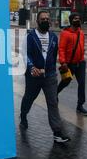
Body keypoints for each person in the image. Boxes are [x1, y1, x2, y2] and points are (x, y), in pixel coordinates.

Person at [20, 11, 70, 144]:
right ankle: (23, 115)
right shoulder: (30, 37)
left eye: (47, 19)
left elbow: (53, 56)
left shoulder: (53, 37)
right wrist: (31, 67)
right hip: (33, 76)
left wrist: (62, 65)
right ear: (37, 21)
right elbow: (25, 54)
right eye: (43, 19)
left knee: (53, 102)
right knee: (28, 98)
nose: (46, 21)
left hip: (49, 76)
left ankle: (57, 132)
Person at [57, 13, 87, 116]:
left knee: (82, 84)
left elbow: (82, 46)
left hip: (81, 63)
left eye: (79, 18)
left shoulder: (81, 33)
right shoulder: (65, 33)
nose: (77, 20)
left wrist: (82, 54)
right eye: (75, 19)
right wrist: (63, 62)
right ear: (71, 21)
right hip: (69, 64)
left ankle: (80, 105)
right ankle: (55, 94)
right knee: (65, 82)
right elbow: (61, 49)